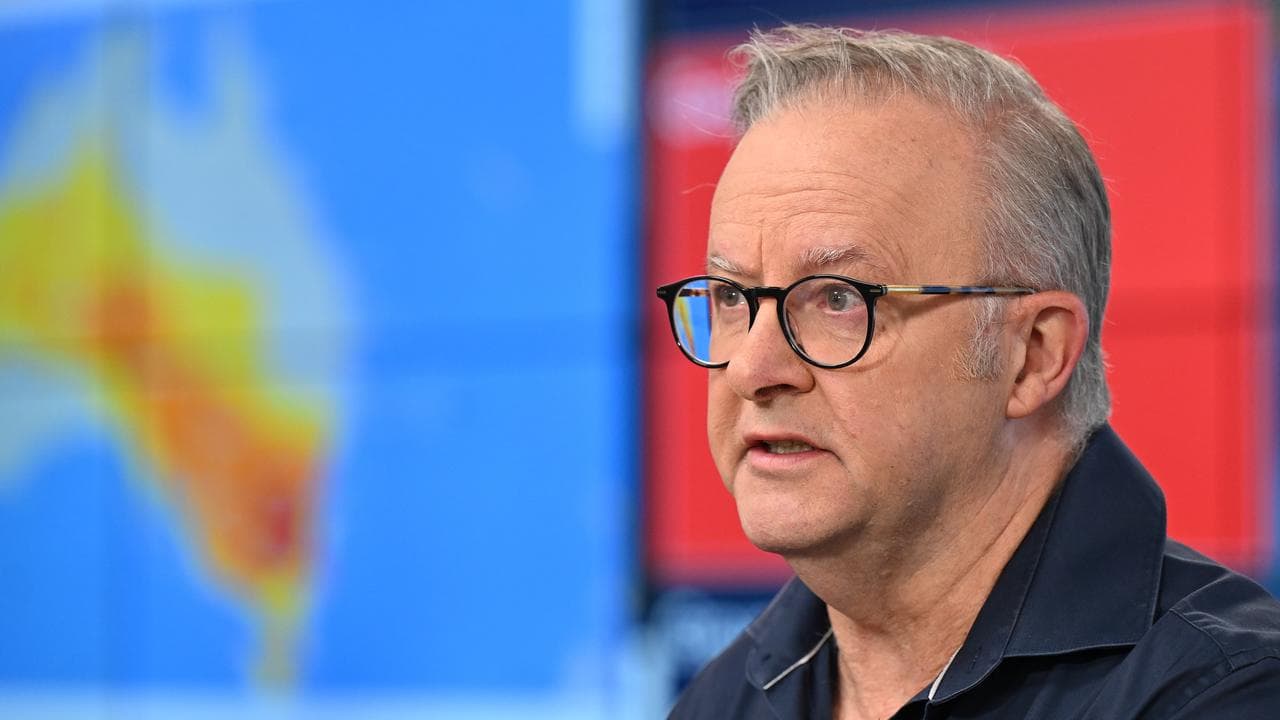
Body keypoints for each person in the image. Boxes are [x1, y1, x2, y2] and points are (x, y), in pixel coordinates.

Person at [654, 26, 1280, 719]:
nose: (752, 368)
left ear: (1032, 355)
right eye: (732, 298)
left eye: (838, 299)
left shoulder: (1226, 694)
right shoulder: (721, 700)